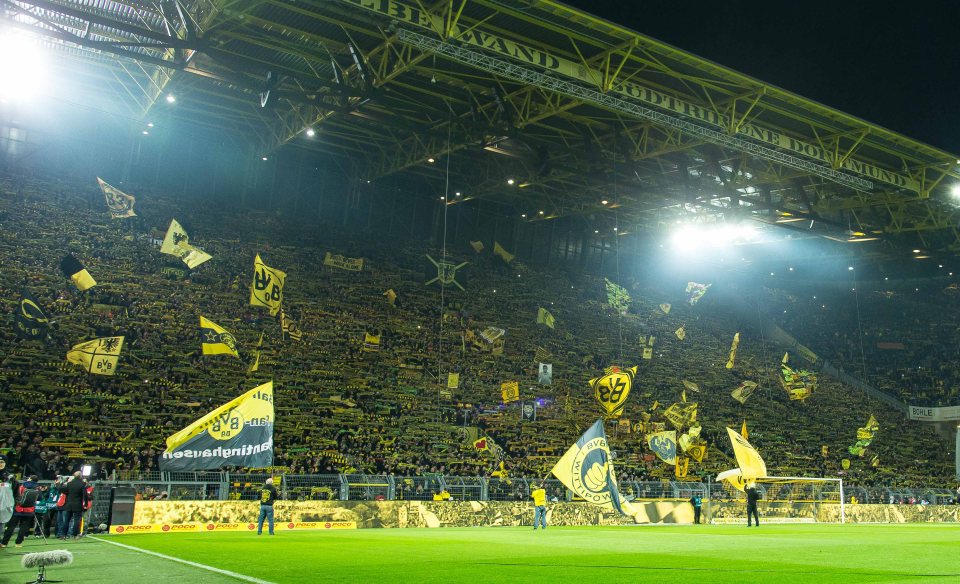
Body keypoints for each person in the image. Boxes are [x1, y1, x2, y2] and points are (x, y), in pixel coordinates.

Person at [1, 474, 39, 548]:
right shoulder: (37, 488)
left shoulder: (22, 486)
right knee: (24, 527)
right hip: (29, 511)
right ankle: (18, 543)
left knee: (11, 526)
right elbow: (39, 498)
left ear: (30, 479)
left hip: (18, 509)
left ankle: (4, 543)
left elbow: (16, 495)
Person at [57, 472, 88, 539]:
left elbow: (62, 491)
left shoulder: (69, 484)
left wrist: (59, 484)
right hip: (78, 504)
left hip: (69, 504)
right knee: (77, 520)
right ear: (80, 476)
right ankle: (75, 535)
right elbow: (85, 495)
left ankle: (63, 535)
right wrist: (86, 504)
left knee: (66, 520)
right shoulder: (82, 484)